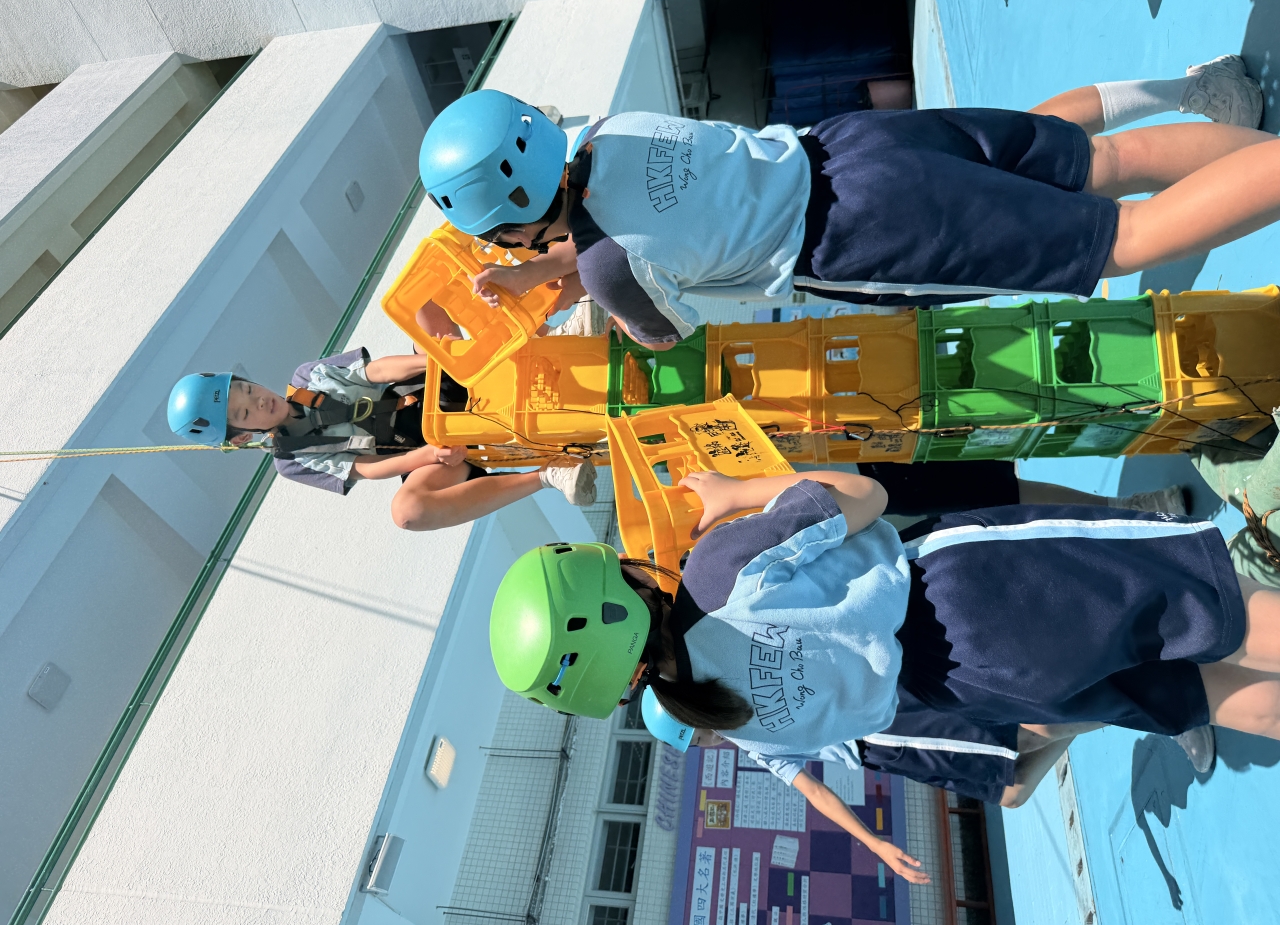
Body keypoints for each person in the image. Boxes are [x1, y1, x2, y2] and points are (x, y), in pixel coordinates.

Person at [487, 469, 1280, 877]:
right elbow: (866, 496)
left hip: (957, 690)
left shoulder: (718, 714)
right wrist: (738, 493)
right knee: (1220, 608)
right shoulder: (714, 571)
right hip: (967, 590)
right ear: (617, 585)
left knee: (1195, 694)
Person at [417, 57, 1270, 347]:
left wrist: (569, 292)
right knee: (1099, 160)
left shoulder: (610, 271)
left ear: (512, 223)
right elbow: (630, 223)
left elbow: (658, 324)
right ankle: (1210, 92)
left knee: (1119, 241)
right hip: (851, 145)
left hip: (864, 233)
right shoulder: (615, 127)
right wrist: (545, 272)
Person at [640, 689, 1213, 882]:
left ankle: (1166, 706)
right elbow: (813, 791)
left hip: (881, 720)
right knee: (1012, 790)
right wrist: (873, 843)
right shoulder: (750, 742)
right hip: (882, 751)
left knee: (1022, 736)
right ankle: (1116, 709)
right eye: (701, 745)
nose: (711, 745)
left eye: (700, 737)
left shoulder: (743, 693)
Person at [166, 348, 596, 531]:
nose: (258, 401)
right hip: (422, 454)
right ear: (243, 436)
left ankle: (559, 348)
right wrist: (428, 455)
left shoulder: (307, 376)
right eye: (244, 413)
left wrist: (437, 359)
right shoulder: (291, 460)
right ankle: (549, 475)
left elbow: (377, 372)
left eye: (246, 389)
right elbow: (366, 469)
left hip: (430, 396)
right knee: (407, 512)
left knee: (429, 318)